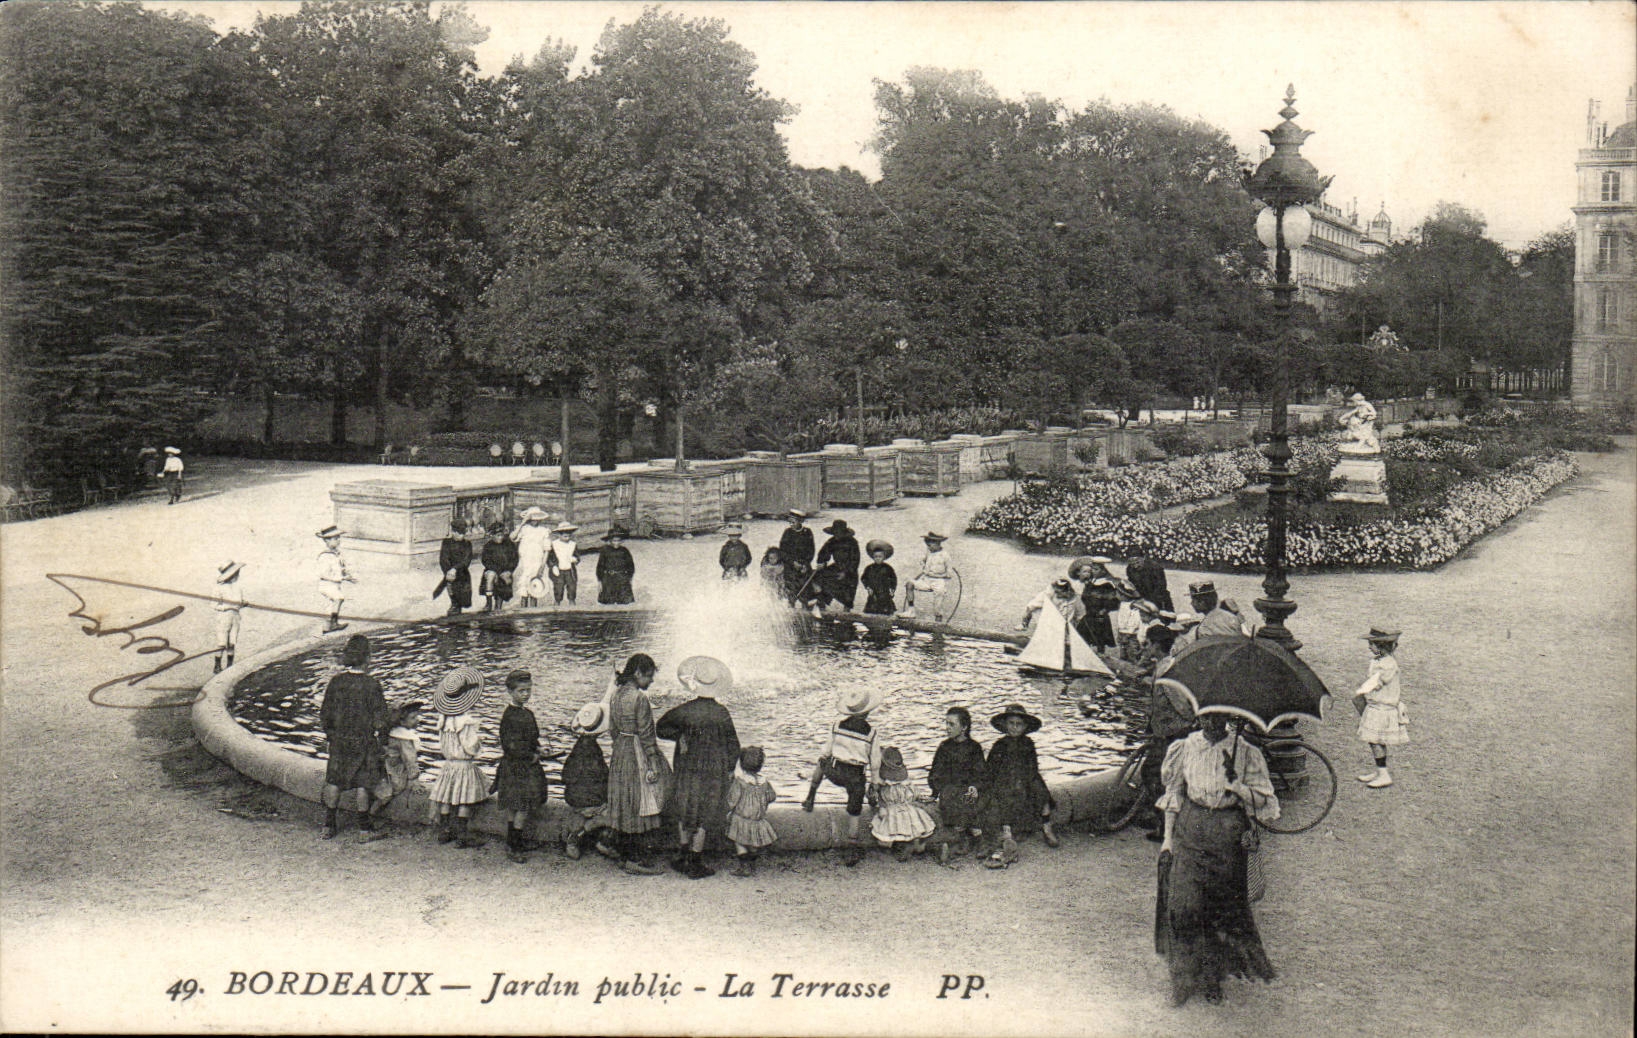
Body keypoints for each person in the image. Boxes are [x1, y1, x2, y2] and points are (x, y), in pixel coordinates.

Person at [1157, 714, 1280, 1006]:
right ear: (1199, 717)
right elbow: (1173, 793)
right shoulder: (1184, 747)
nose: (1211, 724)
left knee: (1217, 910)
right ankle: (1183, 979)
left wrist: (1238, 787)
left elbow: (1265, 801)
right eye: (1206, 717)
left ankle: (1212, 978)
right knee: (1182, 907)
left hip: (1227, 834)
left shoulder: (1247, 752)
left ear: (1228, 719)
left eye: (1218, 719)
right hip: (1191, 827)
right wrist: (1168, 839)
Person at [656, 655, 741, 879]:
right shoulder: (722, 713)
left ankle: (682, 854)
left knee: (684, 807)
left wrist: (679, 736)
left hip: (687, 768)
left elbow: (660, 728)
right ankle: (695, 859)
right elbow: (734, 745)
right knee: (706, 812)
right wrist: (731, 769)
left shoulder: (684, 710)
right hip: (713, 771)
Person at [601, 653, 670, 874]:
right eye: (648, 676)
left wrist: (621, 745)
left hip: (621, 748)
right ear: (638, 673)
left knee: (624, 798)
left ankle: (619, 849)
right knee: (643, 799)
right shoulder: (639, 698)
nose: (651, 681)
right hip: (637, 749)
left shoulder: (616, 694)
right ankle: (635, 858)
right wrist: (652, 762)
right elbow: (647, 734)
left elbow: (612, 728)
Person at [318, 634, 392, 842]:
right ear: (368, 659)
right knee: (363, 783)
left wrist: (331, 735)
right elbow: (381, 720)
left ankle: (328, 826)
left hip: (339, 740)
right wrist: (383, 741)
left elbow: (325, 714)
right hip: (363, 741)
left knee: (334, 780)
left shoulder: (336, 682)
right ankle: (364, 830)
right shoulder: (371, 685)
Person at [800, 688, 884, 867]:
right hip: (856, 776)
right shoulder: (871, 733)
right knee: (854, 811)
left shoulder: (837, 726)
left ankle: (810, 797)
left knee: (822, 761)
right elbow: (875, 763)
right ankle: (851, 848)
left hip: (836, 772)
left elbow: (826, 752)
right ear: (868, 711)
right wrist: (874, 784)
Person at [982, 704, 1057, 867]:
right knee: (1004, 796)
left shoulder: (1028, 744)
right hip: (1005, 779)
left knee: (1041, 791)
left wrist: (1025, 780)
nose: (1015, 728)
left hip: (1025, 778)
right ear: (1005, 725)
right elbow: (991, 768)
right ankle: (1007, 833)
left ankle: (1047, 827)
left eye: (1018, 724)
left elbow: (1032, 766)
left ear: (1024, 727)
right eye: (1011, 723)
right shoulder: (999, 745)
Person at [429, 666, 487, 849]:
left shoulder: (444, 720)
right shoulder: (465, 722)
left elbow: (443, 744)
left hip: (449, 765)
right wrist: (479, 745)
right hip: (463, 765)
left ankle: (445, 830)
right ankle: (462, 834)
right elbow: (470, 746)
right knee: (465, 798)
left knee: (447, 797)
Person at [493, 670, 547, 863]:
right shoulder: (509, 717)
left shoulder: (527, 713)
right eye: (521, 690)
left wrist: (539, 747)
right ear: (510, 691)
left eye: (528, 690)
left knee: (516, 807)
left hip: (521, 766)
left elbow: (532, 738)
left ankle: (513, 840)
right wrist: (531, 755)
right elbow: (510, 746)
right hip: (517, 767)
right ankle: (515, 846)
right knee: (520, 807)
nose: (526, 694)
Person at [927, 706, 985, 863]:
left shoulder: (974, 747)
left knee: (970, 797)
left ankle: (976, 837)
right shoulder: (944, 747)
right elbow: (935, 773)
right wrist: (935, 792)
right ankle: (965, 837)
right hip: (950, 789)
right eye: (946, 723)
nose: (947, 728)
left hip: (969, 788)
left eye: (951, 724)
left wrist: (975, 786)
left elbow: (980, 772)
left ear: (964, 727)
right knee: (952, 798)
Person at [1353, 626, 1408, 788]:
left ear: (1381, 646)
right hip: (1376, 706)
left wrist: (1361, 691)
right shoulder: (1380, 661)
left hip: (1382, 709)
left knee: (1375, 739)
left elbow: (1376, 682)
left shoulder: (1388, 665)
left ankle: (1384, 774)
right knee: (1375, 740)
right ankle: (1379, 770)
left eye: (1372, 644)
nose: (1370, 647)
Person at [562, 701, 611, 860]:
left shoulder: (579, 747)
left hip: (574, 796)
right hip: (590, 798)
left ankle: (580, 836)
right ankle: (580, 834)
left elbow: (566, 774)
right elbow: (601, 776)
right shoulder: (593, 750)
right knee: (613, 814)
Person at [871, 747, 936, 862]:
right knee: (915, 830)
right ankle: (919, 846)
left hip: (892, 812)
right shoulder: (907, 784)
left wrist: (873, 795)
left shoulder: (883, 786)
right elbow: (916, 794)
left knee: (886, 836)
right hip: (909, 810)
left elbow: (876, 799)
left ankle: (902, 848)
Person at [368, 699, 425, 831]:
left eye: (417, 716)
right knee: (388, 792)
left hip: (387, 765)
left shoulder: (392, 733)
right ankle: (370, 817)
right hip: (394, 770)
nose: (417, 720)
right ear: (401, 721)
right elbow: (410, 759)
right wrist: (414, 779)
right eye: (413, 717)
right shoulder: (404, 739)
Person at [725, 746, 777, 877]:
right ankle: (752, 864)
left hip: (741, 817)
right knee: (754, 844)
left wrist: (729, 809)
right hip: (757, 819)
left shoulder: (740, 781)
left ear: (741, 764)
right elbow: (772, 796)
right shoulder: (764, 782)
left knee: (739, 842)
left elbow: (732, 799)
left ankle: (744, 867)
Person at [901, 532, 955, 623]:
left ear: (937, 543)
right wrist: (923, 566)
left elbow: (949, 574)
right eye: (927, 546)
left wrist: (935, 574)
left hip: (938, 582)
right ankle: (911, 611)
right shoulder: (929, 552)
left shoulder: (945, 556)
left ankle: (938, 619)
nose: (929, 548)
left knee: (939, 595)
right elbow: (923, 561)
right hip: (926, 580)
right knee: (909, 584)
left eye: (930, 545)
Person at [811, 518, 861, 616]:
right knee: (819, 576)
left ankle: (847, 608)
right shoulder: (832, 541)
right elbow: (823, 553)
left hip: (849, 569)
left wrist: (845, 572)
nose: (837, 535)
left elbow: (855, 561)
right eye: (835, 533)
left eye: (839, 533)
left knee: (848, 587)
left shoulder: (852, 542)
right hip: (837, 566)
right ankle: (822, 603)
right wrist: (822, 562)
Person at [1070, 556, 1119, 654]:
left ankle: (1100, 659)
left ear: (1102, 571)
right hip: (1088, 614)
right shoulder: (1091, 582)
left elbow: (1114, 602)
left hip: (1099, 616)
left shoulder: (1107, 584)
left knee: (1099, 640)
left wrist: (1103, 611)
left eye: (1096, 569)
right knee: (1082, 637)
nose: (1093, 571)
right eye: (1092, 569)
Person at [315, 525, 355, 634]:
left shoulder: (338, 554)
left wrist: (347, 575)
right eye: (335, 538)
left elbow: (342, 567)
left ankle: (327, 628)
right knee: (339, 598)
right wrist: (341, 577)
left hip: (335, 584)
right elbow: (324, 574)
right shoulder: (325, 556)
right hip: (326, 584)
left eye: (338, 538)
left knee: (331, 605)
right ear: (327, 540)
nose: (338, 541)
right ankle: (334, 624)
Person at [511, 507, 552, 608]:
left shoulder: (543, 531)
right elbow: (512, 537)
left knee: (535, 587)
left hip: (537, 561)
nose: (535, 521)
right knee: (523, 587)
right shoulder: (524, 529)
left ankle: (533, 612)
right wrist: (522, 523)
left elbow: (547, 549)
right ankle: (523, 611)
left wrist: (542, 566)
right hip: (525, 562)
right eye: (533, 518)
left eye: (537, 518)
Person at [435, 517, 474, 617]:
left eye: (463, 533)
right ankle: (454, 603)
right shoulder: (446, 543)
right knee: (450, 584)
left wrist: (455, 569)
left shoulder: (467, 544)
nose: (462, 536)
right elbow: (443, 559)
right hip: (449, 572)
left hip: (462, 571)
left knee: (465, 599)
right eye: (459, 533)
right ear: (454, 532)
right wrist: (448, 571)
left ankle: (459, 603)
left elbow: (466, 560)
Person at [778, 510, 816, 607]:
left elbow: (811, 551)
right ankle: (791, 605)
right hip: (790, 565)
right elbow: (782, 551)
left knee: (805, 587)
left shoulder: (807, 533)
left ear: (800, 521)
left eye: (793, 522)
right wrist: (792, 562)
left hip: (804, 565)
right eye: (789, 522)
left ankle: (805, 606)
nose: (791, 524)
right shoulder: (787, 533)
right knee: (791, 587)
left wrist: (805, 565)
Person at [479, 520, 519, 613]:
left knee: (503, 581)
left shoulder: (509, 545)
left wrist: (509, 571)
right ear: (492, 535)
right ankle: (489, 604)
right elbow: (485, 561)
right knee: (490, 577)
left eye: (501, 535)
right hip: (492, 570)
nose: (500, 538)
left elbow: (514, 559)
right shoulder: (488, 546)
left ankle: (498, 605)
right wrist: (496, 571)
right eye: (497, 535)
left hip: (505, 571)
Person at [213, 560, 245, 674]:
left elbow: (239, 602)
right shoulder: (219, 588)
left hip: (235, 616)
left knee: (232, 642)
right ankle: (217, 665)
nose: (238, 575)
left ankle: (229, 666)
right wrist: (227, 606)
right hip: (223, 616)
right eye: (236, 573)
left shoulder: (238, 588)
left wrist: (242, 604)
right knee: (221, 643)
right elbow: (214, 604)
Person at [1019, 578, 1086, 632]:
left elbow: (1081, 615)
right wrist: (1024, 624)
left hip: (1066, 628)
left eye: (1061, 591)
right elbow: (1030, 607)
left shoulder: (1075, 598)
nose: (1058, 594)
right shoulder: (1047, 594)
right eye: (1056, 591)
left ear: (1068, 590)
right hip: (1048, 625)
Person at [595, 526, 636, 605]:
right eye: (614, 541)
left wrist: (630, 577)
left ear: (621, 541)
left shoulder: (624, 551)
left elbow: (630, 565)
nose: (616, 543)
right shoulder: (605, 551)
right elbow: (600, 566)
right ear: (610, 541)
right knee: (607, 601)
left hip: (622, 577)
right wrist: (600, 580)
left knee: (625, 601)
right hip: (609, 577)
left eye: (618, 541)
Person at [860, 540, 898, 615]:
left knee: (885, 611)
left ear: (884, 557)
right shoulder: (869, 568)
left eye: (880, 556)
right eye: (875, 557)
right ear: (873, 557)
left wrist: (892, 589)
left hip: (885, 593)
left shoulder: (888, 568)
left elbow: (893, 579)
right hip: (873, 593)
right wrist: (868, 587)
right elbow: (864, 578)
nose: (878, 558)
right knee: (872, 610)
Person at [547, 521, 580, 605]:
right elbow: (550, 558)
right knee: (558, 588)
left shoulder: (573, 544)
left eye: (569, 535)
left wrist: (575, 559)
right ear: (559, 534)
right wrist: (553, 566)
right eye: (564, 535)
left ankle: (572, 604)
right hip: (559, 570)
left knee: (572, 588)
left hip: (570, 570)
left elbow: (577, 556)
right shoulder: (554, 544)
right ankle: (557, 604)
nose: (567, 537)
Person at [1113, 581, 1145, 662]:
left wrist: (1128, 634)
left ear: (1124, 595)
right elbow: (1121, 620)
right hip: (1122, 632)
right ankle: (1124, 668)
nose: (1116, 595)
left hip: (1131, 634)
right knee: (1123, 653)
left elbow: (1135, 621)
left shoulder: (1133, 606)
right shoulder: (1122, 604)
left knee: (1132, 652)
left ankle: (1134, 666)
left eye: (1118, 593)